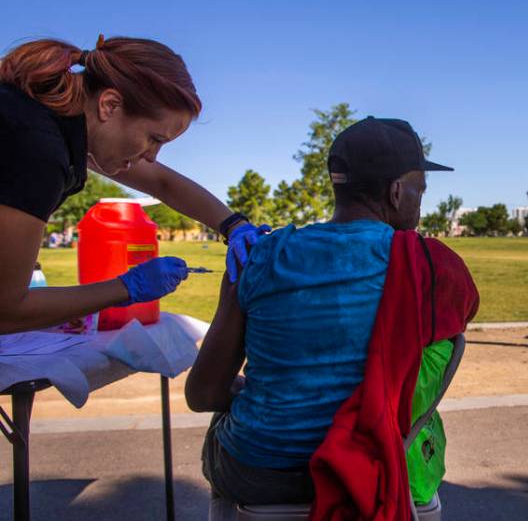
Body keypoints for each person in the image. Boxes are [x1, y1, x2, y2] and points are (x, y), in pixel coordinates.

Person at [185, 117, 478, 512]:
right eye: (419, 191)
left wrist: (249, 393)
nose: (419, 205)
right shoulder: (433, 269)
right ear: (395, 192)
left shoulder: (259, 257)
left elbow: (203, 394)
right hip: (372, 463)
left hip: (260, 472)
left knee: (222, 430)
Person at [0, 36, 266, 334]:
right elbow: (7, 310)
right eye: (155, 139)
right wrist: (125, 288)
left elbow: (163, 183)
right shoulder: (36, 145)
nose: (151, 157)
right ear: (109, 105)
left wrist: (233, 224)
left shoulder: (49, 118)